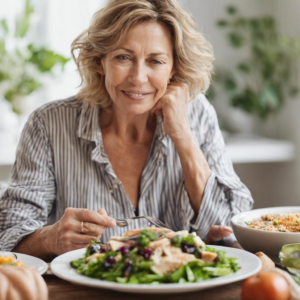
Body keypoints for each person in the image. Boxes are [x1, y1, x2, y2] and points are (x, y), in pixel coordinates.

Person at [0, 0, 253, 260]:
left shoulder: (197, 114)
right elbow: (8, 235)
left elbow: (231, 226)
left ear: (173, 68)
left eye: (155, 61)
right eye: (123, 57)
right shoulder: (48, 123)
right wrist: (50, 237)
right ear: (100, 61)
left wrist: (183, 136)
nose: (138, 77)